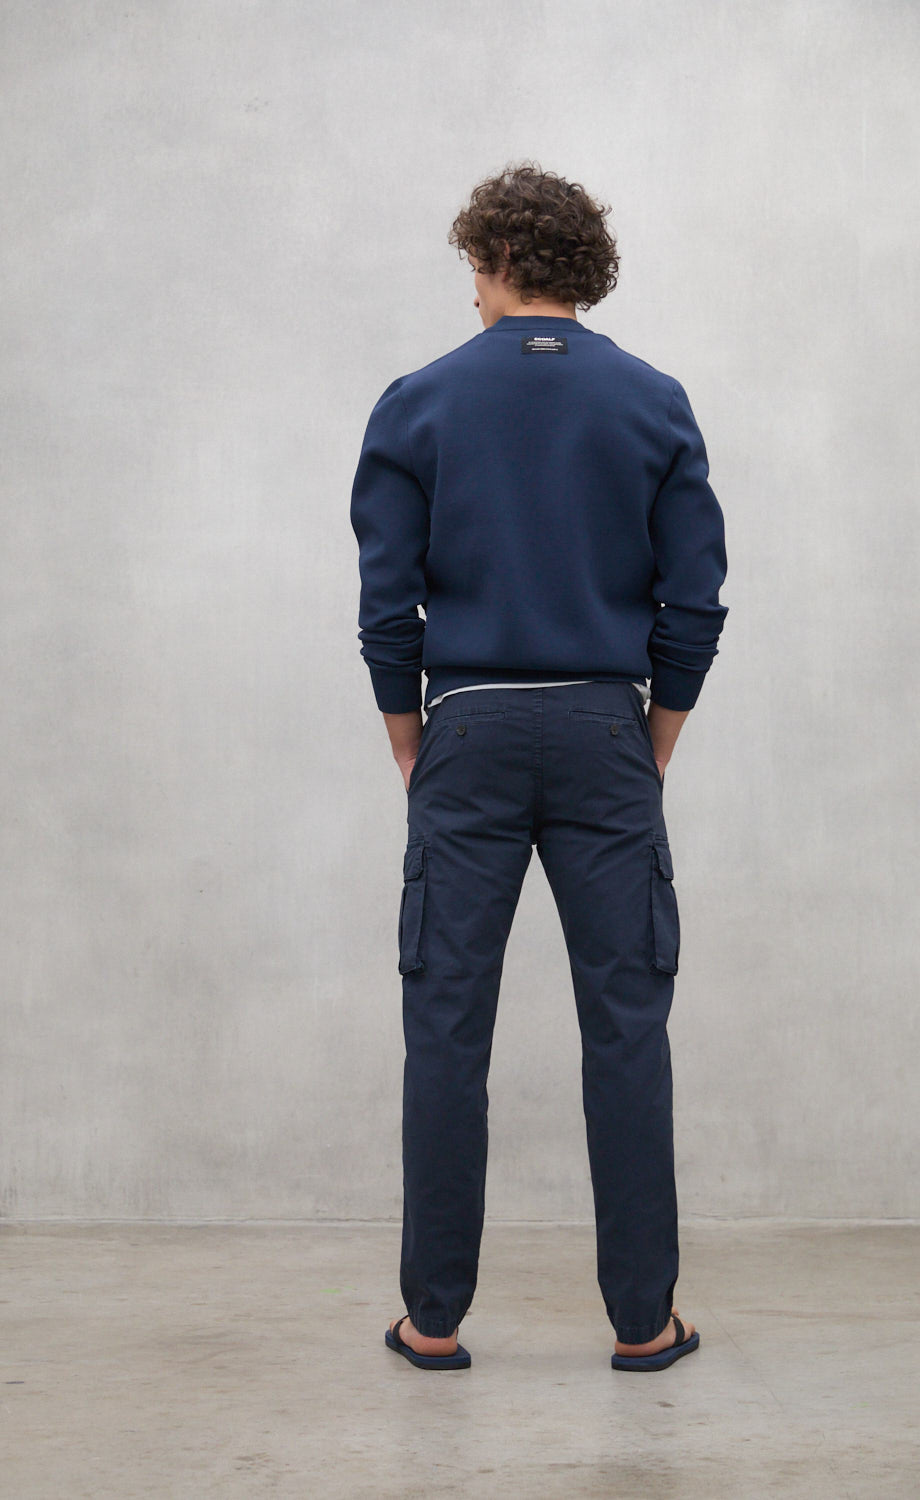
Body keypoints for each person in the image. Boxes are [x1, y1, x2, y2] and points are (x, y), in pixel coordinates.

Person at [350, 161, 727, 1373]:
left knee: (445, 1026)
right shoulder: (653, 401)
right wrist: (648, 739)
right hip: (606, 730)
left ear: (495, 260)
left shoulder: (418, 401)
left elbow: (385, 605)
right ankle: (643, 1323)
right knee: (626, 1026)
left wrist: (411, 739)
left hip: (464, 729)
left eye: (471, 267)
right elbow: (693, 600)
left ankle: (433, 1322)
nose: (469, 290)